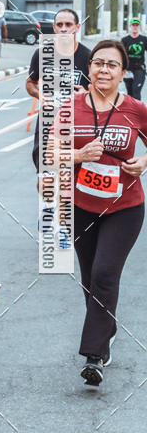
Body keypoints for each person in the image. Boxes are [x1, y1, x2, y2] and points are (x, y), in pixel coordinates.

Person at [64, 40, 147, 386]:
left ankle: (95, 355)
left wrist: (144, 160)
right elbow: (52, 150)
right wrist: (79, 156)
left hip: (125, 207)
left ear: (123, 73)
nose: (103, 70)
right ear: (90, 68)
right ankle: (107, 327)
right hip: (82, 206)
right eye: (98, 63)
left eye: (112, 65)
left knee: (105, 273)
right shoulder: (72, 107)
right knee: (89, 279)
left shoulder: (135, 109)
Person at [26, 8, 90, 172]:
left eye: (68, 24)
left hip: (77, 124)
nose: (63, 28)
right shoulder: (41, 54)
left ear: (77, 27)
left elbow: (100, 93)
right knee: (45, 173)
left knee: (72, 175)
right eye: (59, 25)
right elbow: (30, 83)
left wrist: (86, 95)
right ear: (54, 28)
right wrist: (40, 94)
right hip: (48, 120)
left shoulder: (88, 57)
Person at [121, 18, 147, 100]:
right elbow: (120, 54)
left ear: (139, 27)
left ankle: (137, 111)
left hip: (139, 68)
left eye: (137, 25)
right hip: (128, 69)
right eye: (133, 25)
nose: (135, 27)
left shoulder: (144, 39)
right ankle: (130, 111)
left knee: (136, 89)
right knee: (130, 91)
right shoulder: (125, 40)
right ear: (130, 26)